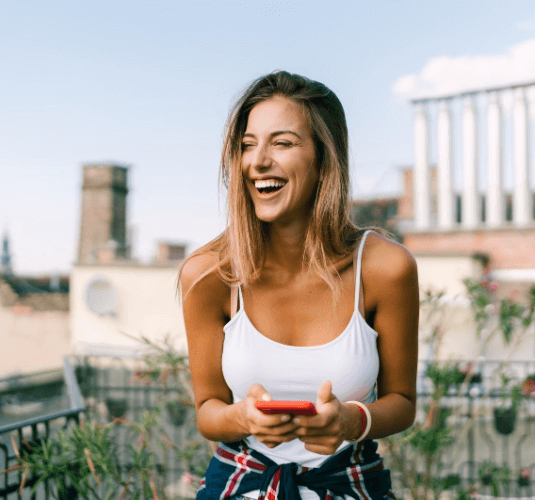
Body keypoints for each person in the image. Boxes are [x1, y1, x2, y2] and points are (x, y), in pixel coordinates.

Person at [178, 71, 419, 500]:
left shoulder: (386, 268)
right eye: (247, 145)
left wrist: (350, 422)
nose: (258, 161)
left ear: (325, 159)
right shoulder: (208, 273)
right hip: (237, 486)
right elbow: (207, 411)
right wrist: (244, 419)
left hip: (350, 486)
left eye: (282, 143)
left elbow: (401, 401)